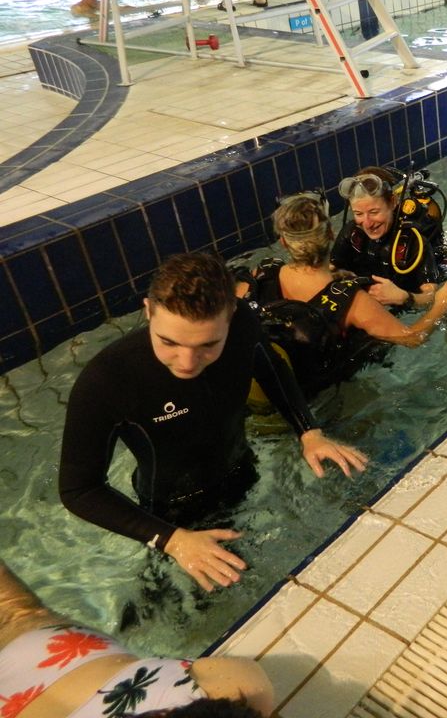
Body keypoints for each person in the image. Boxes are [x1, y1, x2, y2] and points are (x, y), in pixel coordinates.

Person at [58, 253, 367, 593]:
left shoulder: (243, 323)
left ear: (231, 316)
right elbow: (79, 489)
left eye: (208, 344)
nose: (187, 362)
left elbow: (269, 366)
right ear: (148, 311)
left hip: (241, 472)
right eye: (169, 342)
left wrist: (309, 432)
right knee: (180, 599)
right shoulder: (107, 380)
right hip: (171, 511)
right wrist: (173, 540)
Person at [237, 193, 447, 396]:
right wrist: (441, 304)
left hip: (252, 390)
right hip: (317, 400)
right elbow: (412, 338)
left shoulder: (262, 274)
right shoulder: (353, 299)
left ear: (284, 242)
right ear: (331, 234)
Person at [0, 558, 273, 718]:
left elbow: (215, 669)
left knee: (16, 610)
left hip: (55, 655)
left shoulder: (242, 688)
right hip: (28, 683)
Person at [330, 167, 447, 308]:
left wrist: (405, 298)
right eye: (358, 214)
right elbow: (329, 269)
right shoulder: (352, 233)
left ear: (393, 202)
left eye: (374, 212)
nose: (367, 223)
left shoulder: (413, 242)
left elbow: (431, 296)